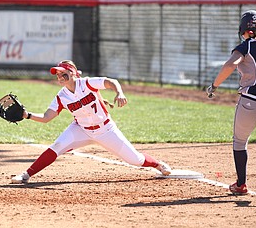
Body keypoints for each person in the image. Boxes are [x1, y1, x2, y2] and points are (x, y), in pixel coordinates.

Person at [11, 60, 172, 184]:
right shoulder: (61, 96)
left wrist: (119, 92)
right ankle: (26, 175)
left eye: (63, 73)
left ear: (73, 73)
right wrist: (27, 115)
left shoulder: (86, 83)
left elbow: (110, 81)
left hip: (106, 130)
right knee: (57, 146)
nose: (59, 77)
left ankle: (157, 164)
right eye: (57, 74)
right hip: (81, 129)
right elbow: (47, 117)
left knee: (135, 160)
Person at [206, 10, 256, 195]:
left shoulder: (245, 46)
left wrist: (214, 86)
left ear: (242, 28)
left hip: (251, 102)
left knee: (239, 141)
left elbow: (230, 65)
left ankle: (241, 185)